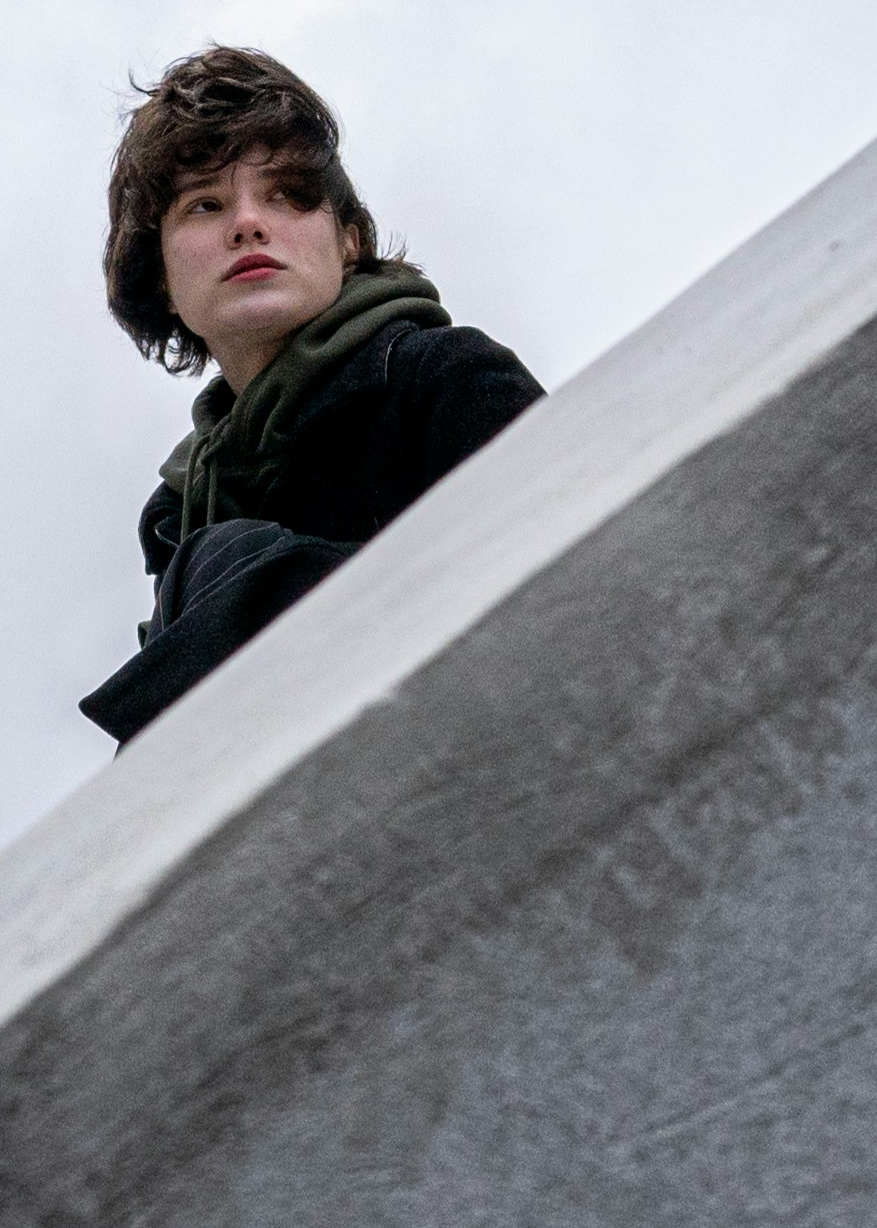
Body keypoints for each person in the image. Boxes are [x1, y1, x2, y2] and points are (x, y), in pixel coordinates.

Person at [79, 47, 544, 742]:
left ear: (349, 241)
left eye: (287, 194)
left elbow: (563, 602)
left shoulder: (441, 377)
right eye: (205, 205)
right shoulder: (179, 513)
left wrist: (241, 579)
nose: (247, 223)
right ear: (162, 280)